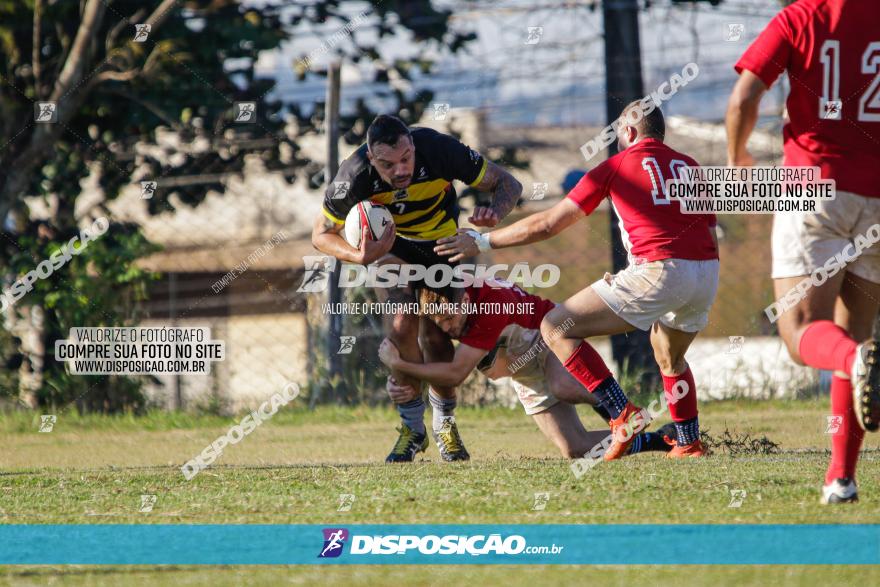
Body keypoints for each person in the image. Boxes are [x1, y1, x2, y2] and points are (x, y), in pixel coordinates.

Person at [434, 101, 719, 460]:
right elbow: (700, 225)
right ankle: (688, 442)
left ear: (629, 132)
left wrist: (483, 240)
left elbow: (548, 224)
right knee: (671, 357)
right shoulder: (689, 166)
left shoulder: (616, 166)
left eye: (618, 134)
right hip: (706, 270)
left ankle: (621, 413)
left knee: (556, 325)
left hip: (658, 269)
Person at [726, 0, 880, 504]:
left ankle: (855, 364)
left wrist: (737, 159)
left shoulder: (803, 15)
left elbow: (744, 97)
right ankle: (840, 478)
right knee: (854, 334)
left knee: (801, 334)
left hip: (813, 186)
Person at [311, 114, 523, 462]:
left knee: (442, 330)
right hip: (390, 248)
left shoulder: (439, 149)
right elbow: (320, 235)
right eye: (387, 164)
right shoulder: (352, 179)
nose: (399, 170)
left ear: (412, 144)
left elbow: (509, 184)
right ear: (370, 155)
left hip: (441, 244)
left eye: (406, 157)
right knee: (400, 323)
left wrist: (494, 215)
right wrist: (359, 255)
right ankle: (412, 427)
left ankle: (445, 425)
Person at [378, 285, 675, 459]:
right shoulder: (450, 306)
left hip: (549, 340)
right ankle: (660, 440)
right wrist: (405, 383)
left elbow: (454, 374)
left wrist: (400, 366)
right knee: (575, 448)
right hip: (524, 373)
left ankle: (621, 411)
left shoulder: (489, 305)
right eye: (439, 322)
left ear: (465, 301)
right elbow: (435, 364)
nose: (447, 328)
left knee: (563, 386)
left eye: (449, 319)